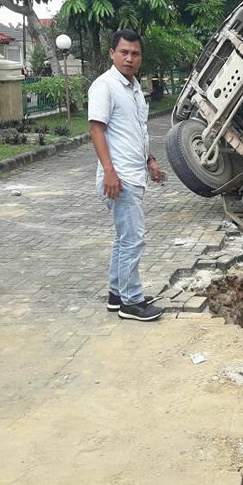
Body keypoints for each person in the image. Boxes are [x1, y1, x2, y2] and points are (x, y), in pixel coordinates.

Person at [87, 29, 166, 321]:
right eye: (124, 52)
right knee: (133, 239)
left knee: (124, 239)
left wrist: (150, 160)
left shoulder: (133, 88)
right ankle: (131, 303)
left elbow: (137, 131)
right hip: (119, 178)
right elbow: (96, 129)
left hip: (134, 173)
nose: (129, 58)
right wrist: (109, 172)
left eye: (135, 53)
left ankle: (117, 294)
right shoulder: (104, 86)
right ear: (112, 53)